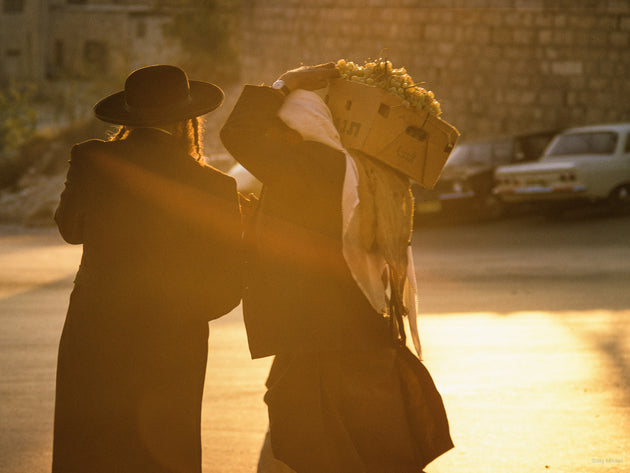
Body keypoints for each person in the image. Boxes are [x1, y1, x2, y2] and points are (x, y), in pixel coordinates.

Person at [220, 63, 452, 473]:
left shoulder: (314, 165)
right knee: (364, 436)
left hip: (315, 332)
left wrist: (284, 84)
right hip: (365, 324)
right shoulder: (375, 172)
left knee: (314, 441)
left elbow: (239, 133)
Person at [52, 65, 243, 473]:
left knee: (90, 444)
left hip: (94, 328)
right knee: (163, 450)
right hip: (173, 340)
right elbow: (228, 286)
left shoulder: (91, 157)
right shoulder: (215, 185)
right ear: (188, 119)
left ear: (128, 115)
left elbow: (70, 230)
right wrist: (181, 311)